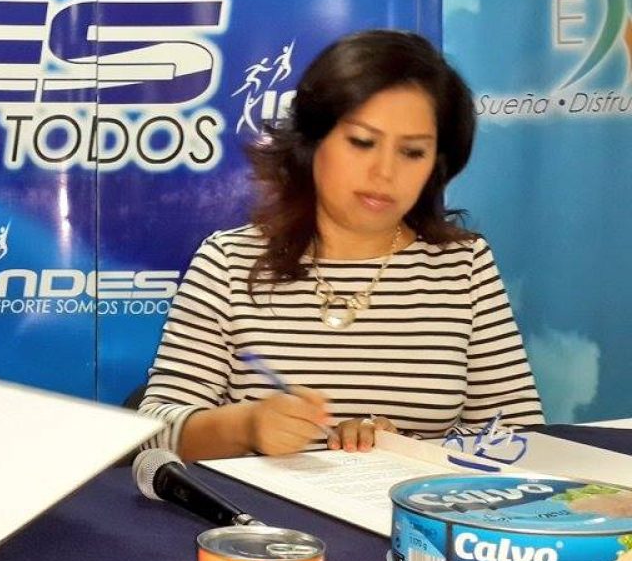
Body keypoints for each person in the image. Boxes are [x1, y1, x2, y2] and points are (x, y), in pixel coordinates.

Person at [138, 29, 544, 462]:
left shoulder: (464, 265)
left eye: (412, 152)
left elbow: (519, 435)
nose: (384, 172)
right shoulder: (229, 262)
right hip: (259, 506)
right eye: (362, 142)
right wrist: (247, 427)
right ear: (312, 141)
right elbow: (152, 436)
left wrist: (405, 448)